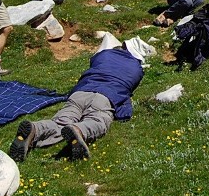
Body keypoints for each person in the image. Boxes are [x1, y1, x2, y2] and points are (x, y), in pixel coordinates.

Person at [8, 36, 152, 162]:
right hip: (105, 97)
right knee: (98, 121)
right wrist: (124, 113)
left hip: (80, 92)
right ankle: (79, 130)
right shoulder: (137, 70)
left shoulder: (103, 55)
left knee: (61, 121)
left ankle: (36, 129)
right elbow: (124, 94)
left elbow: (94, 61)